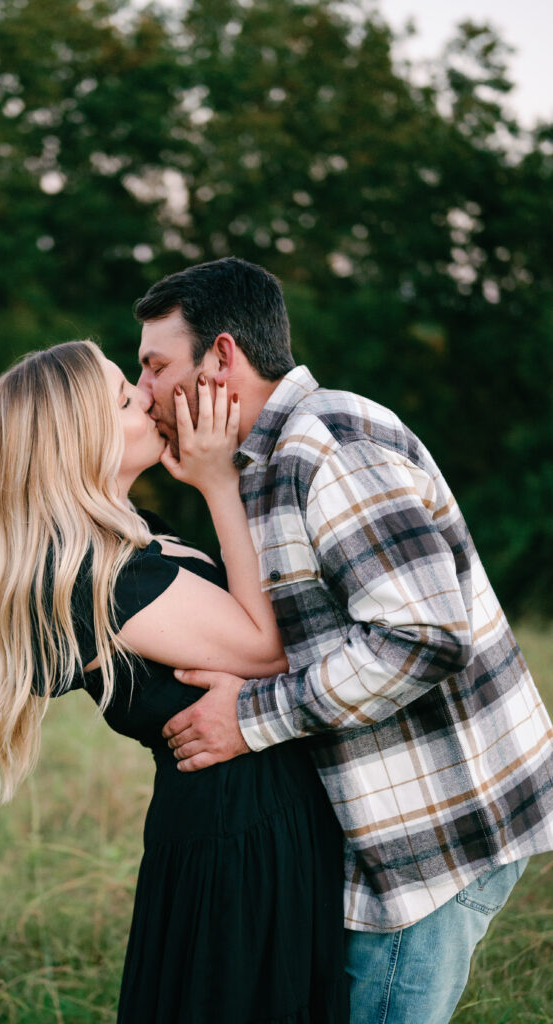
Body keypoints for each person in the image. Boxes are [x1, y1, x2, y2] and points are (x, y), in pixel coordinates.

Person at [135, 256, 553, 1024]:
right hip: (387, 825)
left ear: (223, 356)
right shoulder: (258, 463)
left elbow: (424, 636)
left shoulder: (326, 444)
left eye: (155, 367)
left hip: (435, 830)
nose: (145, 393)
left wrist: (251, 717)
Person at [0, 339, 348, 1024]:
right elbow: (266, 649)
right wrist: (218, 480)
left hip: (257, 815)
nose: (145, 396)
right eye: (122, 397)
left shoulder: (137, 539)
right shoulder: (96, 576)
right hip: (237, 838)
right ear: (77, 439)